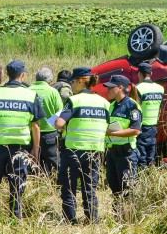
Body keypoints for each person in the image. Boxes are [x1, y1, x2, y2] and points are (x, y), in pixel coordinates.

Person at [0, 60, 44, 218]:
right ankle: (15, 216)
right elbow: (35, 126)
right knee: (17, 183)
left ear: (7, 75)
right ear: (23, 75)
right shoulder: (31, 96)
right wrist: (35, 149)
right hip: (19, 147)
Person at [54, 66, 110, 223]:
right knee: (89, 187)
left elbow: (59, 123)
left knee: (69, 187)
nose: (71, 86)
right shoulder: (103, 102)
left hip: (73, 150)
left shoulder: (74, 101)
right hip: (95, 150)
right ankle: (92, 219)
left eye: (72, 82)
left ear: (80, 81)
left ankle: (70, 220)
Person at [104, 75, 142, 214]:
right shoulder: (112, 105)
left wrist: (112, 133)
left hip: (126, 153)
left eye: (110, 87)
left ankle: (130, 216)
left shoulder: (132, 105)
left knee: (128, 187)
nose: (107, 90)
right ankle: (117, 215)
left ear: (120, 88)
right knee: (114, 186)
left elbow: (135, 129)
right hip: (112, 152)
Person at [30, 66, 64, 175]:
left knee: (32, 162)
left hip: (30, 133)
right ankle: (56, 185)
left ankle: (34, 184)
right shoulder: (53, 92)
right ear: (50, 80)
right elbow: (60, 112)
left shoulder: (27, 90)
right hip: (49, 133)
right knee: (53, 162)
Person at [134, 62, 164, 170]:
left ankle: (142, 180)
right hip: (154, 127)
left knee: (141, 157)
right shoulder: (160, 89)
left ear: (140, 74)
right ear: (151, 73)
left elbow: (135, 109)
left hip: (141, 127)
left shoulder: (138, 88)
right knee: (151, 156)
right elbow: (160, 109)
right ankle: (151, 179)